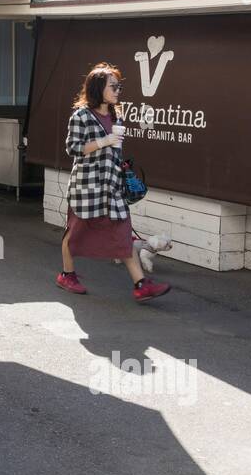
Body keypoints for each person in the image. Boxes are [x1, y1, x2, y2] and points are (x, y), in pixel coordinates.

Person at [57, 63, 171, 303]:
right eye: (114, 86)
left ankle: (141, 284)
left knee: (122, 231)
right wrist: (104, 141)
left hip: (111, 186)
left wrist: (120, 163)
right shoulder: (81, 116)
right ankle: (67, 275)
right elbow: (73, 148)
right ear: (99, 88)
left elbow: (113, 150)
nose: (118, 90)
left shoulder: (114, 115)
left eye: (119, 86)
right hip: (86, 187)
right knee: (75, 233)